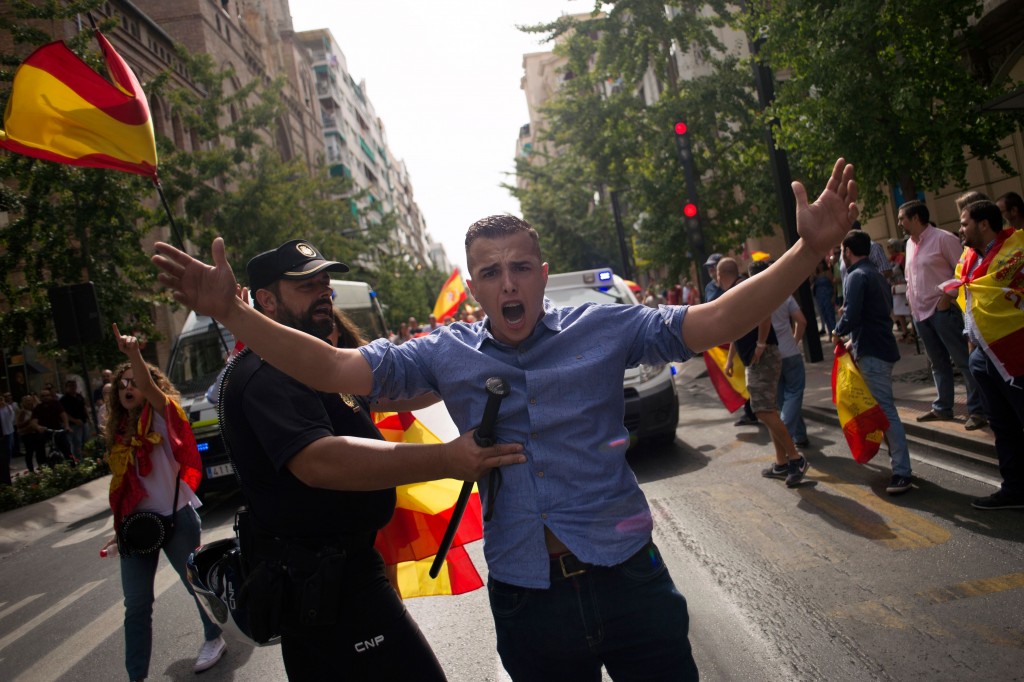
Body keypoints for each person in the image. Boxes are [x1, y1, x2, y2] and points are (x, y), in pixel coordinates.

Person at [154, 158, 859, 681]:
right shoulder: (444, 353)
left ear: (543, 274)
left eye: (521, 266)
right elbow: (336, 371)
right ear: (475, 285)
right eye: (490, 272)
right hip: (529, 599)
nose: (508, 282)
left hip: (629, 581)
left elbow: (712, 321)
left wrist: (809, 250)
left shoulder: (605, 327)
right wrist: (233, 313)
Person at [218, 239, 521, 680]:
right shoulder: (267, 372)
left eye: (325, 283)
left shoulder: (311, 364)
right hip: (325, 583)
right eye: (306, 285)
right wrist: (449, 459)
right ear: (266, 300)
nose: (324, 292)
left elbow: (408, 388)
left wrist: (489, 365)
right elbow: (318, 461)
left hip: (343, 574)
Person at [100, 324, 226, 680]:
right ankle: (135, 675)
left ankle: (215, 637)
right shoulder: (119, 434)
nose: (128, 387)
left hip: (176, 520)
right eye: (121, 384)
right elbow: (123, 490)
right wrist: (117, 531)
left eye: (133, 381)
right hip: (136, 529)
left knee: (196, 588)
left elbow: (151, 390)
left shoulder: (161, 413)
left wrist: (134, 356)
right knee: (136, 605)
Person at [954, 201, 1024, 509]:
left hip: (1015, 352)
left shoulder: (1016, 251)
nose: (961, 228)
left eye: (965, 223)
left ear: (984, 225)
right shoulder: (968, 259)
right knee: (1002, 426)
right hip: (983, 357)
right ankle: (1015, 489)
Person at [832, 230, 913, 495]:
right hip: (878, 346)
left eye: (842, 251)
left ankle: (902, 471)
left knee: (886, 411)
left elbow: (853, 314)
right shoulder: (876, 275)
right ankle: (898, 465)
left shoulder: (856, 276)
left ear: (846, 251)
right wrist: (852, 341)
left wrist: (838, 331)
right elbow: (874, 315)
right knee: (882, 409)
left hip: (873, 351)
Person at [899, 200, 987, 430]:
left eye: (902, 218)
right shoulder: (909, 244)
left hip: (942, 312)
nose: (900, 223)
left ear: (916, 218)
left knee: (964, 362)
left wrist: (945, 300)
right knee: (937, 363)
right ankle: (943, 407)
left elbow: (962, 272)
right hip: (920, 314)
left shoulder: (943, 238)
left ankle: (977, 411)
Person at [723, 259, 808, 486]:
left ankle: (796, 459)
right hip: (759, 357)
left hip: (764, 356)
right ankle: (782, 463)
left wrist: (760, 344)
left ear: (720, 276)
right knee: (767, 409)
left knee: (762, 410)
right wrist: (731, 358)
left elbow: (765, 314)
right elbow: (737, 329)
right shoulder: (743, 290)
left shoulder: (748, 289)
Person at [772, 291, 809, 448]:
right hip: (790, 353)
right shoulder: (783, 295)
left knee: (783, 399)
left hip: (772, 356)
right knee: (794, 394)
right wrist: (795, 340)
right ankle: (785, 434)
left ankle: (799, 435)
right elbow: (802, 321)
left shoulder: (756, 299)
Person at [32, 387, 71, 461]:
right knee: (39, 447)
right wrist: (38, 427)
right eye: (43, 396)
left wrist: (67, 426)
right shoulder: (38, 408)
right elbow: (33, 422)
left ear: (50, 396)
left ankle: (72, 465)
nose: (46, 397)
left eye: (47, 395)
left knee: (66, 447)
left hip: (57, 430)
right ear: (40, 398)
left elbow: (63, 415)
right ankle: (43, 467)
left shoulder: (56, 404)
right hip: (45, 431)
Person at [60, 379, 89, 459]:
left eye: (74, 385)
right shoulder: (64, 399)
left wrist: (88, 418)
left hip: (83, 422)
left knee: (86, 442)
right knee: (77, 443)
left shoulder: (79, 396)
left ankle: (87, 458)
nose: (73, 387)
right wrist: (74, 420)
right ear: (67, 387)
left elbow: (84, 407)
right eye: (71, 386)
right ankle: (79, 460)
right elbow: (64, 413)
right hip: (74, 424)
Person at [16, 395, 44, 473]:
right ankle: (31, 470)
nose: (29, 402)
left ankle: (41, 467)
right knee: (30, 452)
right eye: (27, 401)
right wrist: (29, 420)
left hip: (36, 433)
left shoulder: (35, 410)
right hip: (27, 434)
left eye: (30, 400)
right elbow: (18, 424)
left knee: (39, 451)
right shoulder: (22, 412)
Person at [812, 259, 837, 336]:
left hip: (828, 296)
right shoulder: (816, 275)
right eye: (818, 264)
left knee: (830, 316)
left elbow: (834, 284)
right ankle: (830, 333)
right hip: (820, 297)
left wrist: (834, 296)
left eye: (821, 264)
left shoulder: (827, 272)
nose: (820, 266)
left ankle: (835, 334)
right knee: (824, 315)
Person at [0, 393, 15, 484]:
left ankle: (8, 464)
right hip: (1, 434)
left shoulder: (7, 407)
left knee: (8, 449)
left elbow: (11, 417)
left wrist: (5, 405)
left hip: (8, 432)